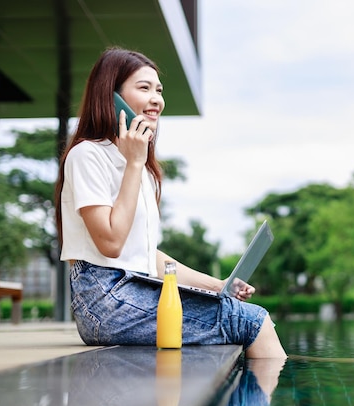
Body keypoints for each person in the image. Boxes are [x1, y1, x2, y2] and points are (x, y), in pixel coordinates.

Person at [54, 46, 286, 359]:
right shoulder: (88, 155)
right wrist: (134, 163)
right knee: (249, 320)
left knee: (235, 309)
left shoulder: (143, 169)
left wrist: (218, 285)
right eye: (144, 88)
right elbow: (111, 244)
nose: (156, 100)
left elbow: (145, 256)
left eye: (159, 90)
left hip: (135, 289)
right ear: (111, 96)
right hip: (104, 301)